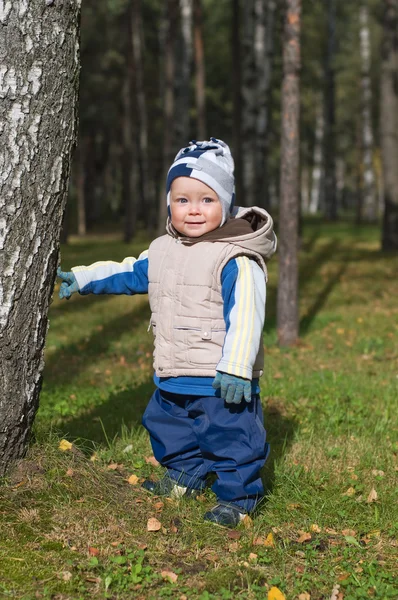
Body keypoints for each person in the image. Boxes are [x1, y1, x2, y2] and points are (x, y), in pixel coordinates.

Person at [57, 138, 277, 527]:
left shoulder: (236, 258)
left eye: (206, 200)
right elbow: (128, 272)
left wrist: (237, 365)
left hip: (221, 377)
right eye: (182, 200)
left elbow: (247, 313)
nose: (193, 210)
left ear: (225, 204)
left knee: (231, 435)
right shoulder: (162, 249)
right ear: (168, 204)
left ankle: (239, 499)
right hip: (173, 371)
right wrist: (83, 278)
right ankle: (184, 477)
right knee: (167, 425)